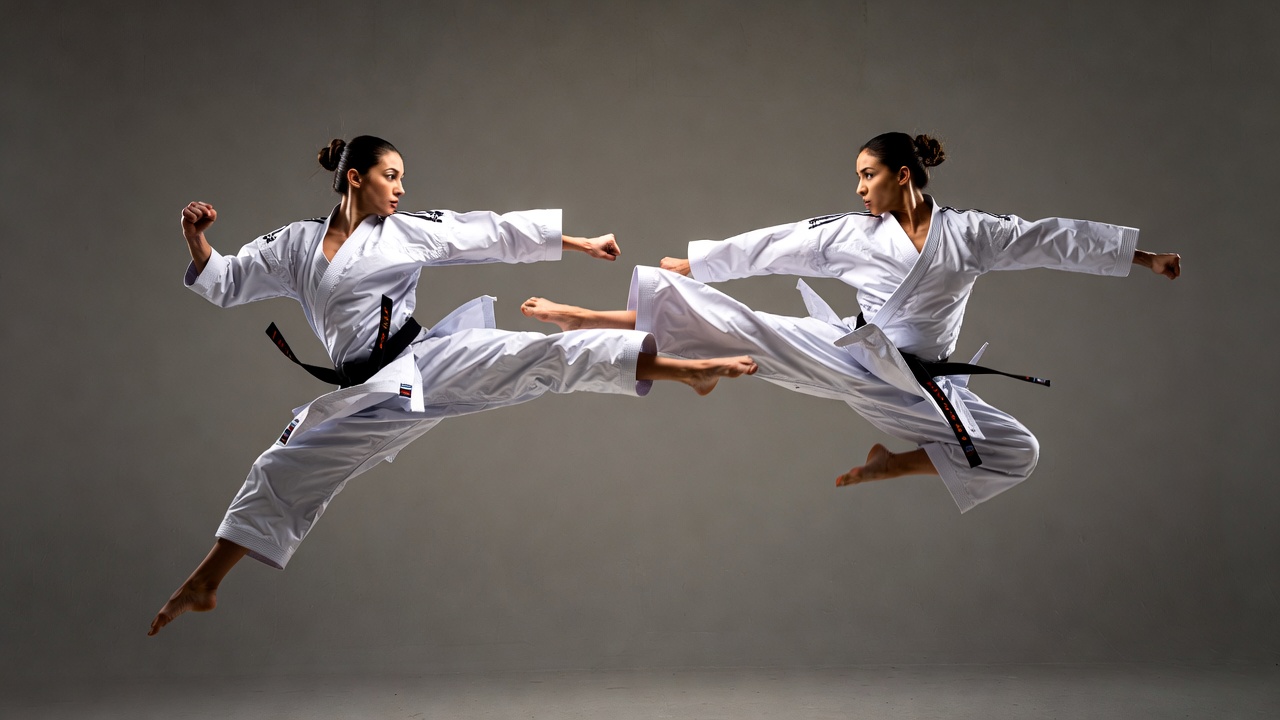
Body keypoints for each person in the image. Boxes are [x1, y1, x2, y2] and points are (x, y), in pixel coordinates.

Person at [148, 135, 757, 636]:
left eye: (403, 178)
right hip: (366, 395)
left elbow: (487, 232)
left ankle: (683, 370)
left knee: (538, 357)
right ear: (355, 178)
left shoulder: (405, 231)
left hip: (425, 360)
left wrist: (578, 241)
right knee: (278, 468)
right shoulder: (296, 244)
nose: (402, 188)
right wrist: (197, 242)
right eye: (392, 175)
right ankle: (204, 582)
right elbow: (228, 279)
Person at [522, 132, 1181, 514]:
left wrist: (1143, 256)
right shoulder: (853, 234)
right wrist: (698, 262)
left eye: (868, 176)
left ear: (904, 176)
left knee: (1018, 452)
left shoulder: (970, 234)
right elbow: (777, 244)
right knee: (748, 327)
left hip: (922, 387)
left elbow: (1048, 239)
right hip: (854, 352)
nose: (859, 189)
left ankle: (893, 465)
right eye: (856, 178)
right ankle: (591, 320)